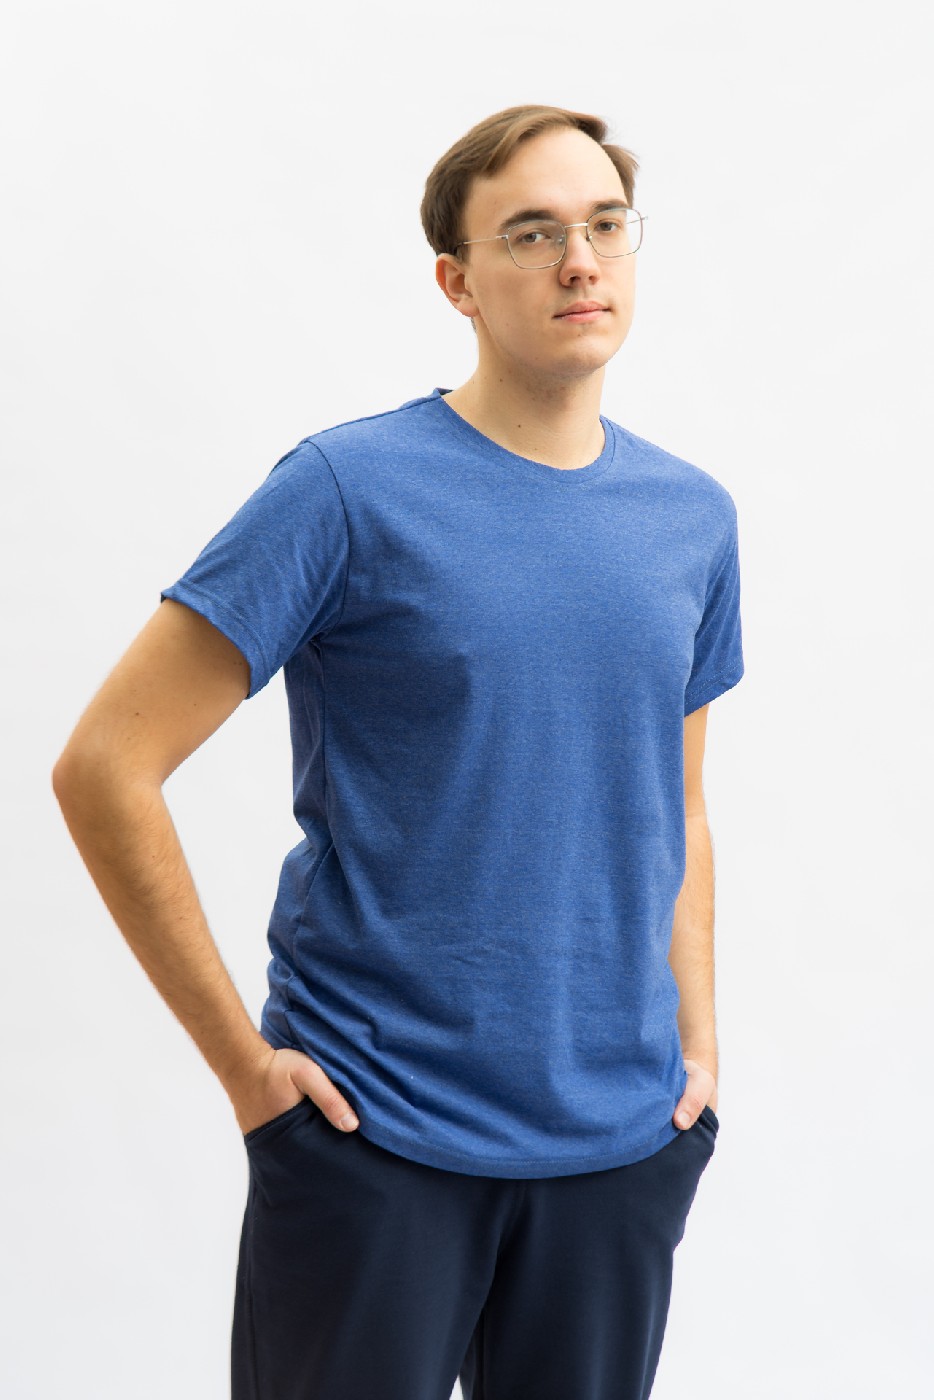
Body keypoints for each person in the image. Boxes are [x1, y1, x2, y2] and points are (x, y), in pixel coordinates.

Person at [52, 103, 745, 1400]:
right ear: (456, 282)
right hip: (374, 1134)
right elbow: (105, 767)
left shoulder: (691, 519)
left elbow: (682, 807)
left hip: (618, 1149)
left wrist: (696, 1058)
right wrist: (247, 1075)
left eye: (604, 225)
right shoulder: (345, 490)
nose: (578, 261)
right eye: (530, 233)